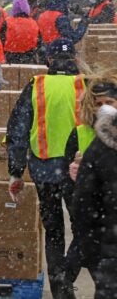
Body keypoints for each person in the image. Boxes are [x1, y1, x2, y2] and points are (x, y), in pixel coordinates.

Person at [6, 38, 85, 299]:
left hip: (44, 168)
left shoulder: (36, 85)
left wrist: (16, 171)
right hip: (79, 170)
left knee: (53, 232)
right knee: (86, 229)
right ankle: (66, 278)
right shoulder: (86, 85)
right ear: (74, 59)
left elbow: (17, 129)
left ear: (48, 60)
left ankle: (60, 284)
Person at [61, 75, 117, 294]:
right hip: (107, 244)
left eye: (109, 103)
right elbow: (82, 204)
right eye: (99, 104)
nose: (104, 109)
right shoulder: (92, 143)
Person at [2, 0, 41, 64]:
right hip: (29, 58)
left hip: (10, 58)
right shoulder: (34, 23)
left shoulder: (7, 22)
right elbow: (39, 42)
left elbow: (1, 40)